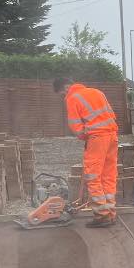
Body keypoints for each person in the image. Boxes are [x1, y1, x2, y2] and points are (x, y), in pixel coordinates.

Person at [53, 77, 119, 227]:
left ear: (67, 87)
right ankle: (110, 213)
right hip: (113, 137)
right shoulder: (97, 92)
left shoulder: (72, 98)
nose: (64, 96)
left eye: (63, 93)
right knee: (108, 176)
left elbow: (76, 127)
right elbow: (110, 115)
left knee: (93, 177)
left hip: (97, 138)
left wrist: (85, 137)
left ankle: (102, 216)